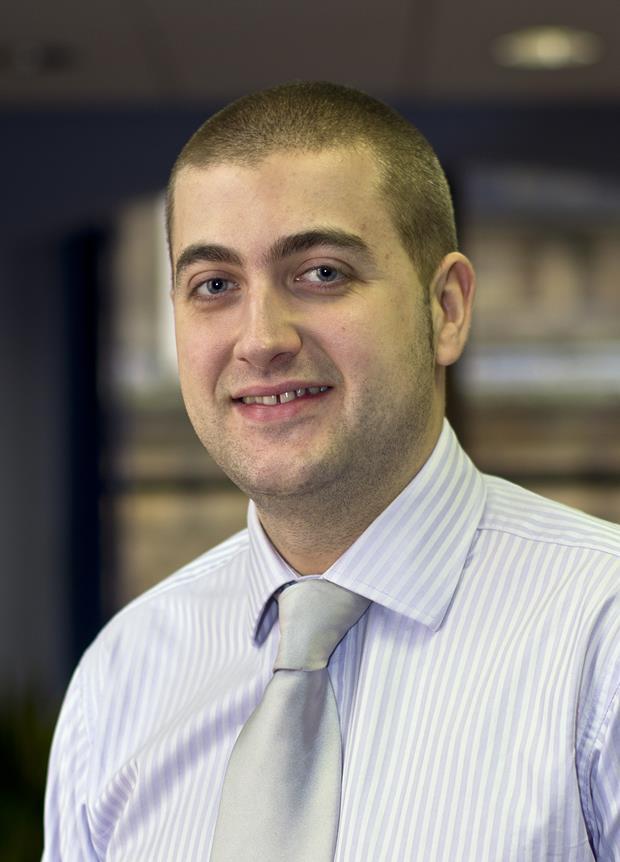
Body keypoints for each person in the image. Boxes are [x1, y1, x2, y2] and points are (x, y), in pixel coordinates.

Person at [43, 82, 619, 861]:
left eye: (321, 273)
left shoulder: (601, 638)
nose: (261, 339)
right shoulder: (122, 678)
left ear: (446, 308)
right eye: (214, 286)